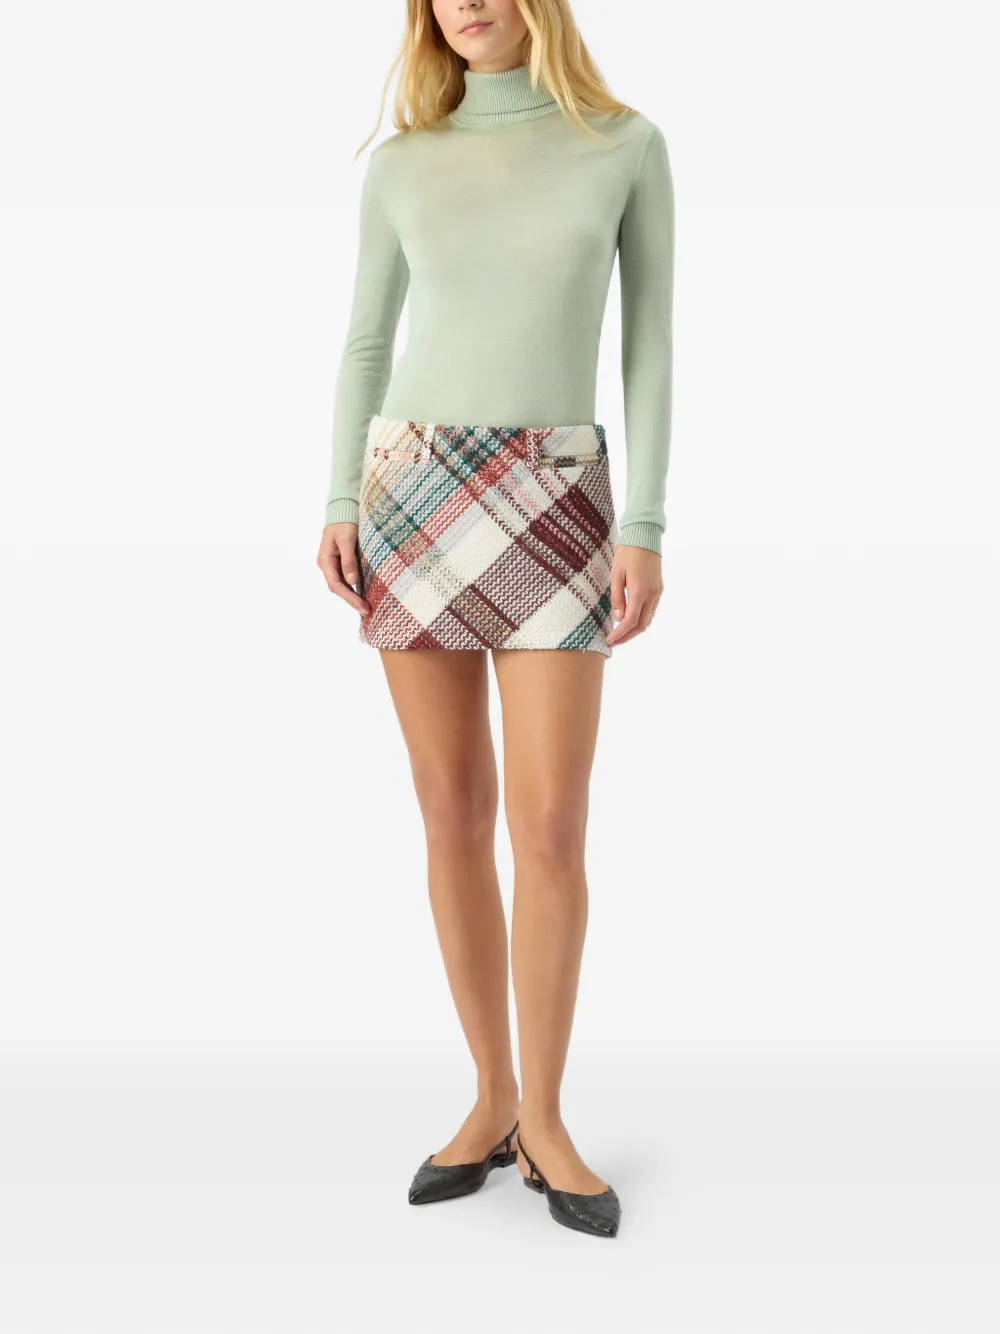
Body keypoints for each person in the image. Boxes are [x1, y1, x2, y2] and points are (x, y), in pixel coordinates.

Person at [316, 0, 674, 1239]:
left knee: (552, 825)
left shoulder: (623, 144)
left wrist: (644, 522)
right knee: (450, 809)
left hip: (557, 492)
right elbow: (366, 344)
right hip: (411, 491)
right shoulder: (402, 161)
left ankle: (549, 1118)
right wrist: (338, 499)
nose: (464, 3)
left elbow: (650, 345)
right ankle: (490, 1095)